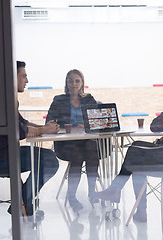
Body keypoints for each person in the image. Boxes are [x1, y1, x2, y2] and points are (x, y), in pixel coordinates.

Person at [94, 67, 163, 222]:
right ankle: (119, 193)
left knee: (135, 154)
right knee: (137, 150)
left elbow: (155, 126)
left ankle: (130, 202)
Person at [0, 61, 60, 215]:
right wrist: (44, 130)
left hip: (4, 153)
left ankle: (23, 202)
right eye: (24, 76)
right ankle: (22, 203)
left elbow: (23, 122)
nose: (27, 80)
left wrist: (45, 128)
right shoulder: (1, 100)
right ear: (11, 78)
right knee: (50, 161)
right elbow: (20, 131)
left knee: (48, 158)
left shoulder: (4, 97)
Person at [46, 69, 100, 212]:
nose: (73, 83)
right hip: (66, 143)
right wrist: (62, 126)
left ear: (82, 83)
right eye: (70, 80)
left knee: (92, 149)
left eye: (77, 80)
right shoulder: (59, 100)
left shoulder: (89, 99)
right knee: (78, 155)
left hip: (86, 140)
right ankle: (72, 197)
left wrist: (87, 124)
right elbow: (49, 121)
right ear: (66, 83)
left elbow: (97, 121)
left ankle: (92, 192)